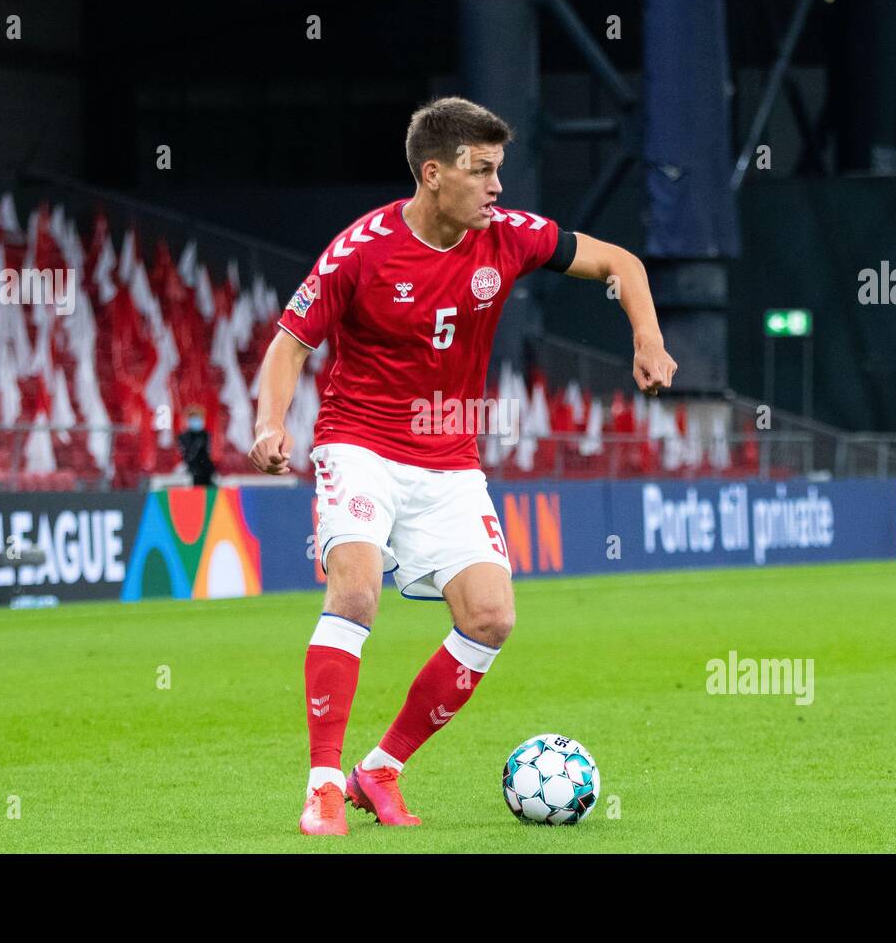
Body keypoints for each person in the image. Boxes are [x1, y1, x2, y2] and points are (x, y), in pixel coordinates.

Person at [250, 97, 677, 836]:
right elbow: (290, 344)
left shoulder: (508, 238)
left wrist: (647, 338)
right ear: (433, 173)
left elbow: (622, 262)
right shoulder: (360, 251)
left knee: (491, 617)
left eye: (499, 170)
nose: (497, 188)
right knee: (354, 594)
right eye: (482, 171)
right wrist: (268, 422)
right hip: (360, 444)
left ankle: (378, 770)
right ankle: (321, 785)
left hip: (448, 458)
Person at [177, 405, 216, 486]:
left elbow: (208, 455)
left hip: (206, 471)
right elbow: (188, 455)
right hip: (191, 471)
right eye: (194, 418)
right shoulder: (184, 436)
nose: (197, 421)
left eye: (199, 418)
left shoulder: (206, 435)